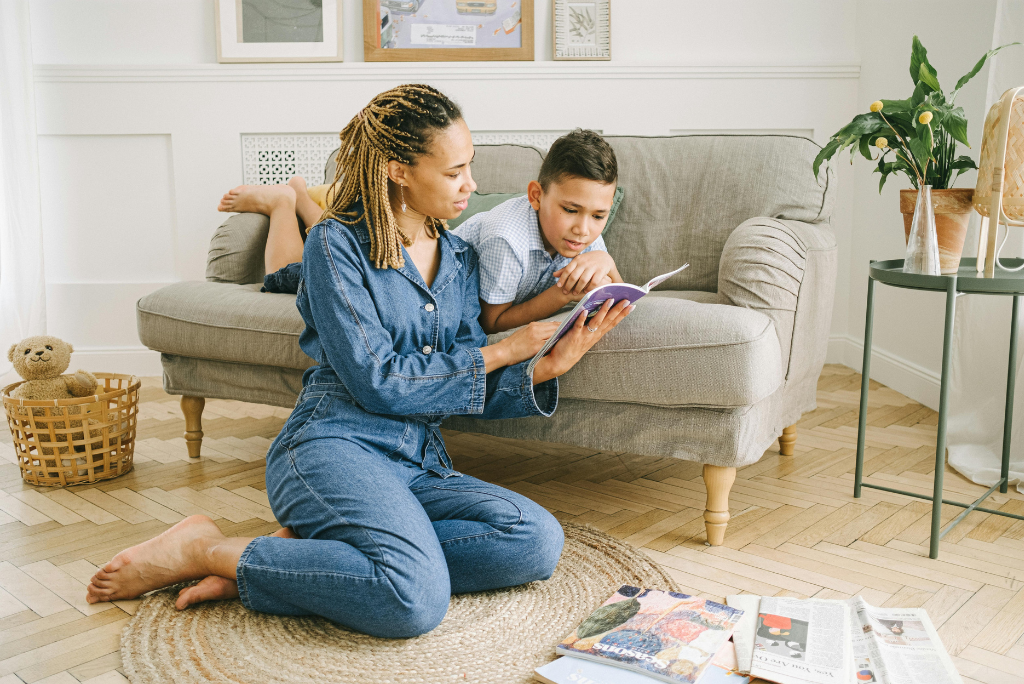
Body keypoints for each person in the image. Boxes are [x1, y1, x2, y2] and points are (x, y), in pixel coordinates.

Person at [85, 84, 634, 639]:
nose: (472, 185)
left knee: (535, 540)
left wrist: (546, 367)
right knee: (413, 600)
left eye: (469, 168)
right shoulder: (334, 245)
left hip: (416, 463)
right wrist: (506, 349)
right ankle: (209, 549)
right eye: (454, 172)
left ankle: (314, 563)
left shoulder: (462, 258)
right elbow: (380, 382)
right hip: (333, 445)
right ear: (398, 170)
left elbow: (462, 384)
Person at [453, 129, 623, 334]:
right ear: (536, 196)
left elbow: (622, 303)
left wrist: (607, 262)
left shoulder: (583, 235)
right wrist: (564, 292)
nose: (583, 229)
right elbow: (491, 324)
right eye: (570, 210)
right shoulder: (505, 239)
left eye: (598, 216)